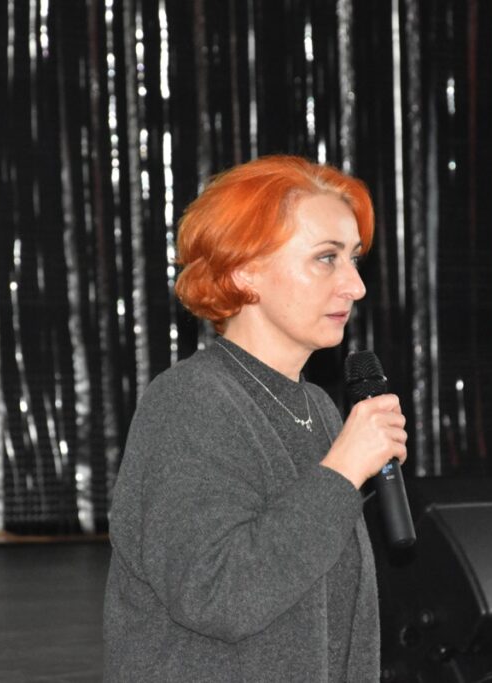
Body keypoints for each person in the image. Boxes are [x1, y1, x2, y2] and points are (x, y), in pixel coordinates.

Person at [102, 155, 407, 681]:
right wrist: (341, 473)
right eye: (326, 258)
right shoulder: (190, 401)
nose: (355, 286)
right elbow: (217, 595)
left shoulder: (318, 407)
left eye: (354, 258)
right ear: (244, 270)